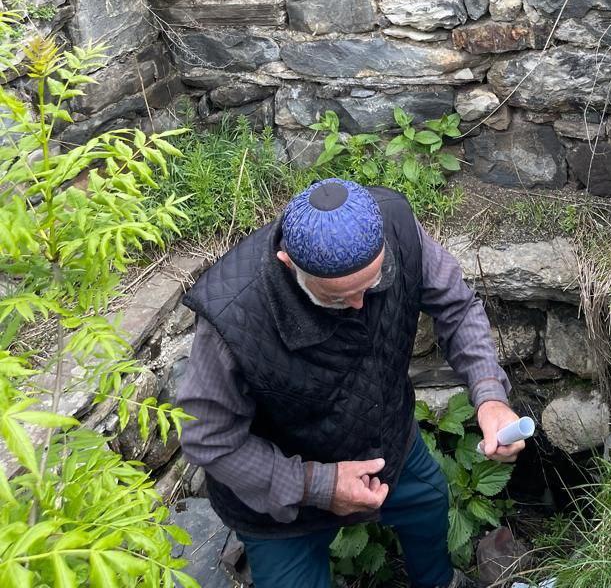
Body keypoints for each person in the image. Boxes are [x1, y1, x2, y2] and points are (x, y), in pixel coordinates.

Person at [178, 177, 525, 588]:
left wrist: (488, 395)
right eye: (338, 298)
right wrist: (320, 485)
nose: (361, 305)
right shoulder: (232, 317)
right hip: (283, 496)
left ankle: (439, 582)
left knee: (430, 504)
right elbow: (208, 439)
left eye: (374, 284)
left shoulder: (396, 225)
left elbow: (457, 306)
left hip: (388, 442)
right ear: (288, 262)